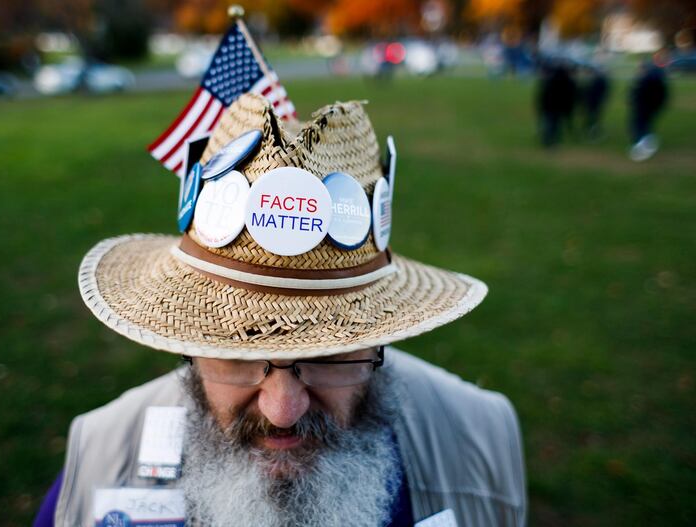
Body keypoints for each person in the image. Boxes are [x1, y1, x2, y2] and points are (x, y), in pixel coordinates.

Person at [35, 93, 526, 527]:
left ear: (380, 338)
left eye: (331, 352)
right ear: (189, 345)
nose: (282, 410)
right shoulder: (100, 463)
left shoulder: (481, 442)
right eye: (236, 349)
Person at [628, 59, 669, 162]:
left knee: (639, 126)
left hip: (644, 108)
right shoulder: (655, 78)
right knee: (644, 125)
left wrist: (634, 98)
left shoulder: (646, 80)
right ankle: (647, 142)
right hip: (650, 107)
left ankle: (643, 147)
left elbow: (639, 94)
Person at [579, 64, 610, 141]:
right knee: (593, 116)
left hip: (593, 101)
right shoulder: (601, 80)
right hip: (596, 101)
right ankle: (592, 129)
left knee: (592, 116)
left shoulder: (596, 80)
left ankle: (592, 129)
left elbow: (590, 92)